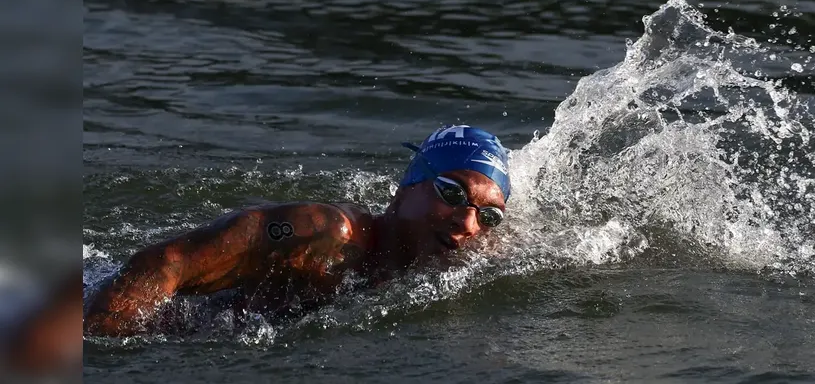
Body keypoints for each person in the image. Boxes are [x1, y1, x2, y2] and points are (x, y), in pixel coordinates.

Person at [83, 125, 511, 337]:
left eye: (488, 215)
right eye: (452, 193)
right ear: (405, 190)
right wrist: (99, 343)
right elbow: (168, 263)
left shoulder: (470, 259)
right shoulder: (325, 234)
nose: (467, 222)